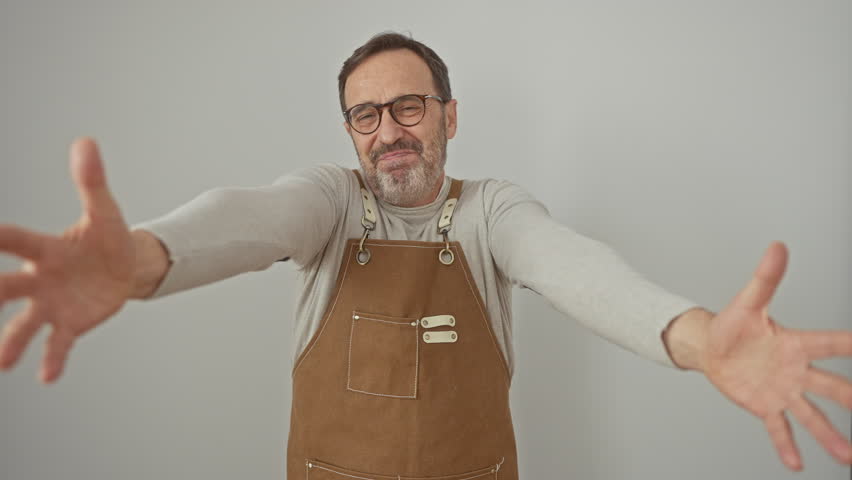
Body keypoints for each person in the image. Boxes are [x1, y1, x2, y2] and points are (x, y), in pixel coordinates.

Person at [0, 32, 850, 478]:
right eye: (365, 115)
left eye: (408, 107)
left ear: (449, 117)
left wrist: (697, 340)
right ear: (349, 133)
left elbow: (571, 265)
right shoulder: (328, 202)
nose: (388, 133)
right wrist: (147, 258)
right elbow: (249, 216)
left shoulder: (491, 214)